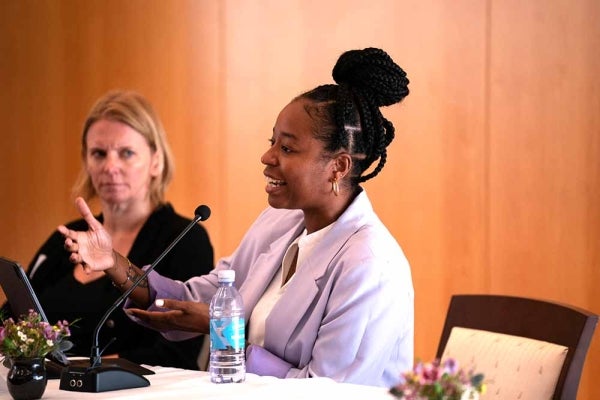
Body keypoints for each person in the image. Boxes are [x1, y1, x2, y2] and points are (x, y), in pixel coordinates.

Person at [59, 48, 413, 387]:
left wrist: (221, 332)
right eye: (272, 141)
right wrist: (114, 263)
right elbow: (212, 292)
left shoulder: (371, 266)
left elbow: (325, 390)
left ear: (338, 166)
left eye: (287, 148)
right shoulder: (280, 223)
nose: (267, 156)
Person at [25, 90, 214, 370]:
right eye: (99, 153)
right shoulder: (67, 237)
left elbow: (177, 356)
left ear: (156, 161)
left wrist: (82, 370)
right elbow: (12, 321)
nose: (110, 167)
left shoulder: (184, 238)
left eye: (126, 153)